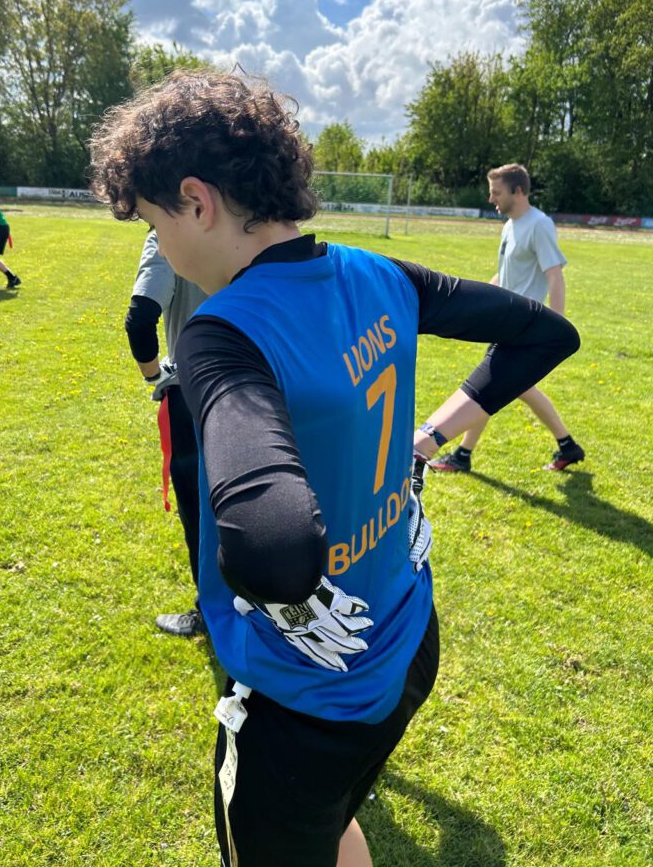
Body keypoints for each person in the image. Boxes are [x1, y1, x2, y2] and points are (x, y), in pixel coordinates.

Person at [89, 71, 580, 867]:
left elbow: (276, 547)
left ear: (197, 201)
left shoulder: (223, 330)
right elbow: (546, 334)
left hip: (305, 698)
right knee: (334, 820)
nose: (162, 248)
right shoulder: (378, 273)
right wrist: (425, 442)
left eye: (153, 222)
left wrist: (285, 586)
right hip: (406, 640)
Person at [430, 163, 585, 474]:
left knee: (488, 389)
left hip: (524, 327)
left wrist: (555, 328)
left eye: (496, 192)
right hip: (505, 321)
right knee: (505, 388)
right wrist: (478, 301)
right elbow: (505, 274)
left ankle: (462, 454)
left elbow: (555, 275)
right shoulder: (510, 225)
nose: (491, 199)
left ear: (518, 191)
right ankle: (568, 445)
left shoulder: (539, 224)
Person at [126, 229, 207, 636]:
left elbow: (140, 319)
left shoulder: (168, 232)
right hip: (265, 384)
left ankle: (212, 612)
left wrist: (154, 375)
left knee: (200, 510)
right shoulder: (256, 218)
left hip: (195, 392)